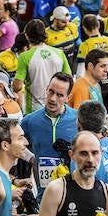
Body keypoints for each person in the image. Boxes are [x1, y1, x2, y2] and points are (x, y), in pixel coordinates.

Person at [20, 72, 78, 201]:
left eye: (59, 95)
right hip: (44, 195)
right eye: (51, 92)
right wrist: (31, 158)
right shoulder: (30, 121)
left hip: (72, 192)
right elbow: (13, 143)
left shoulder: (78, 119)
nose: (52, 99)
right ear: (46, 89)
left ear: (68, 97)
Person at [75, 14, 108, 137]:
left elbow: (80, 71)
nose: (106, 70)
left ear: (84, 29)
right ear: (98, 25)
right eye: (103, 67)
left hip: (96, 88)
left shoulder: (85, 45)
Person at [13, 19, 72, 114]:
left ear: (26, 36)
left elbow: (17, 87)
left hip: (34, 110)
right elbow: (69, 79)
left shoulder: (24, 56)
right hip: (57, 107)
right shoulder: (59, 53)